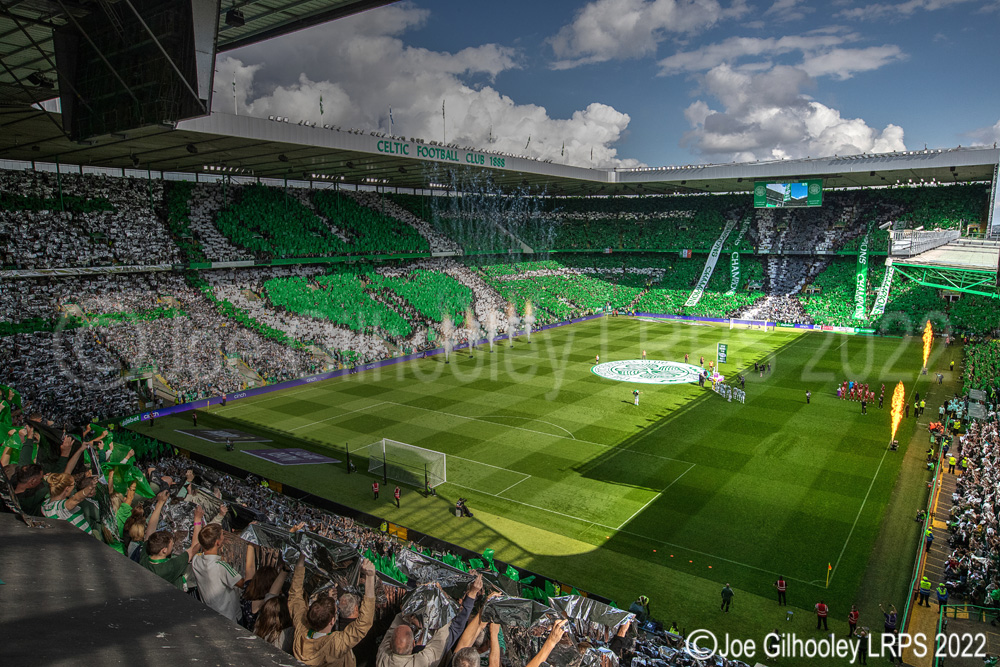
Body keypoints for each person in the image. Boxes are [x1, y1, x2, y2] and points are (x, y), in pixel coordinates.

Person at [290, 553, 376, 667]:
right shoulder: (334, 645)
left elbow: (295, 596)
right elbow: (363, 624)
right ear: (332, 621)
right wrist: (370, 577)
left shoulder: (301, 628)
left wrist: (302, 557)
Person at [191, 523, 254, 623]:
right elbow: (244, 584)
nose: (224, 537)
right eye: (222, 535)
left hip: (210, 614)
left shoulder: (196, 560)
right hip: (229, 618)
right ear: (218, 543)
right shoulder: (221, 567)